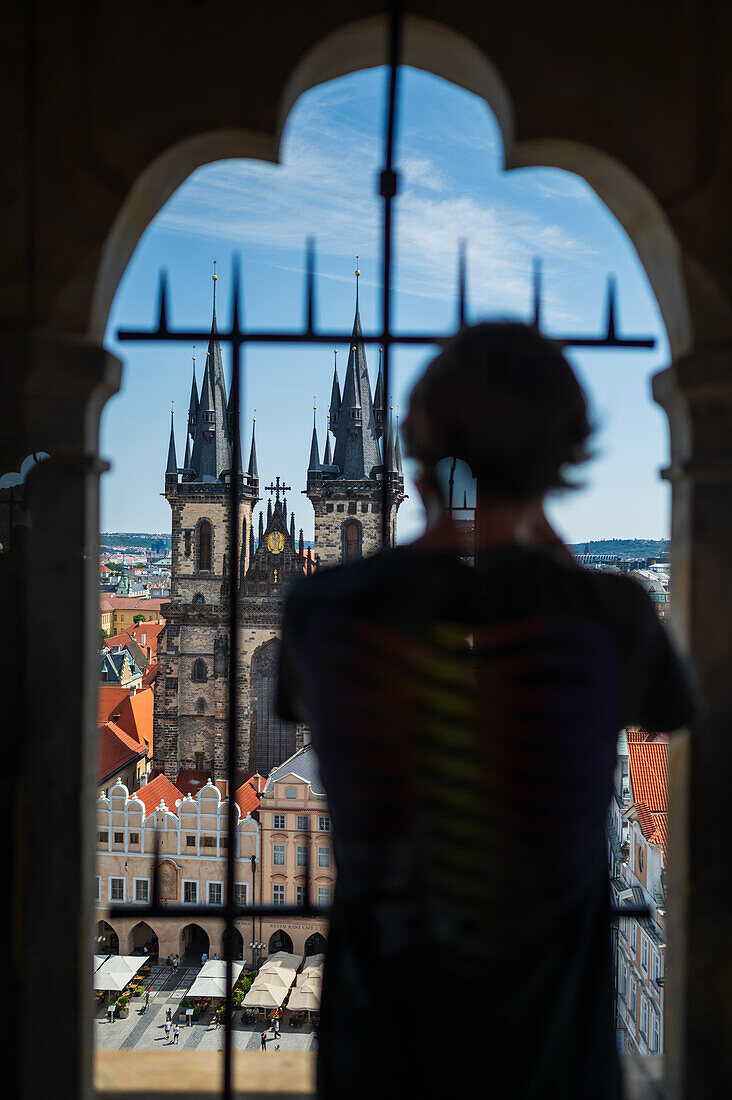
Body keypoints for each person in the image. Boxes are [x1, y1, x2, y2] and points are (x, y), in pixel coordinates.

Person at [277, 323, 696, 1100]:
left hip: (377, 1044)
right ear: (569, 459)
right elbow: (670, 710)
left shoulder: (323, 609)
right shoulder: (607, 614)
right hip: (552, 1053)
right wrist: (539, 530)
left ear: (412, 451)